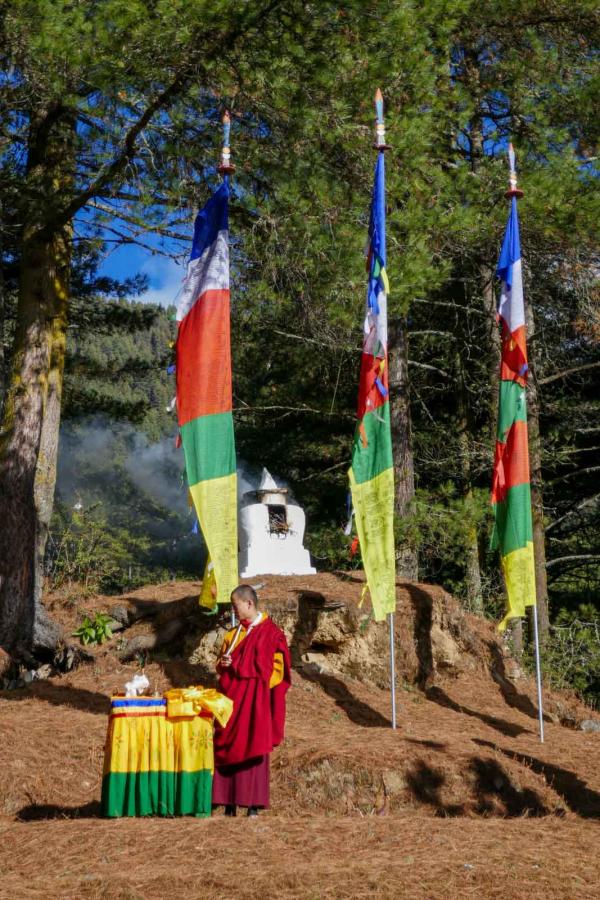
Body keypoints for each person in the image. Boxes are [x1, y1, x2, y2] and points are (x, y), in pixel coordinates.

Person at [212, 584, 291, 817]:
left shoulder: (272, 634)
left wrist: (245, 674)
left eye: (236, 607)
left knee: (254, 747)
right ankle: (228, 803)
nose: (234, 612)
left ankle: (253, 805)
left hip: (255, 702)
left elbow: (277, 672)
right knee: (227, 746)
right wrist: (224, 664)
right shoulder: (231, 635)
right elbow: (222, 664)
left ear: (249, 603)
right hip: (233, 701)